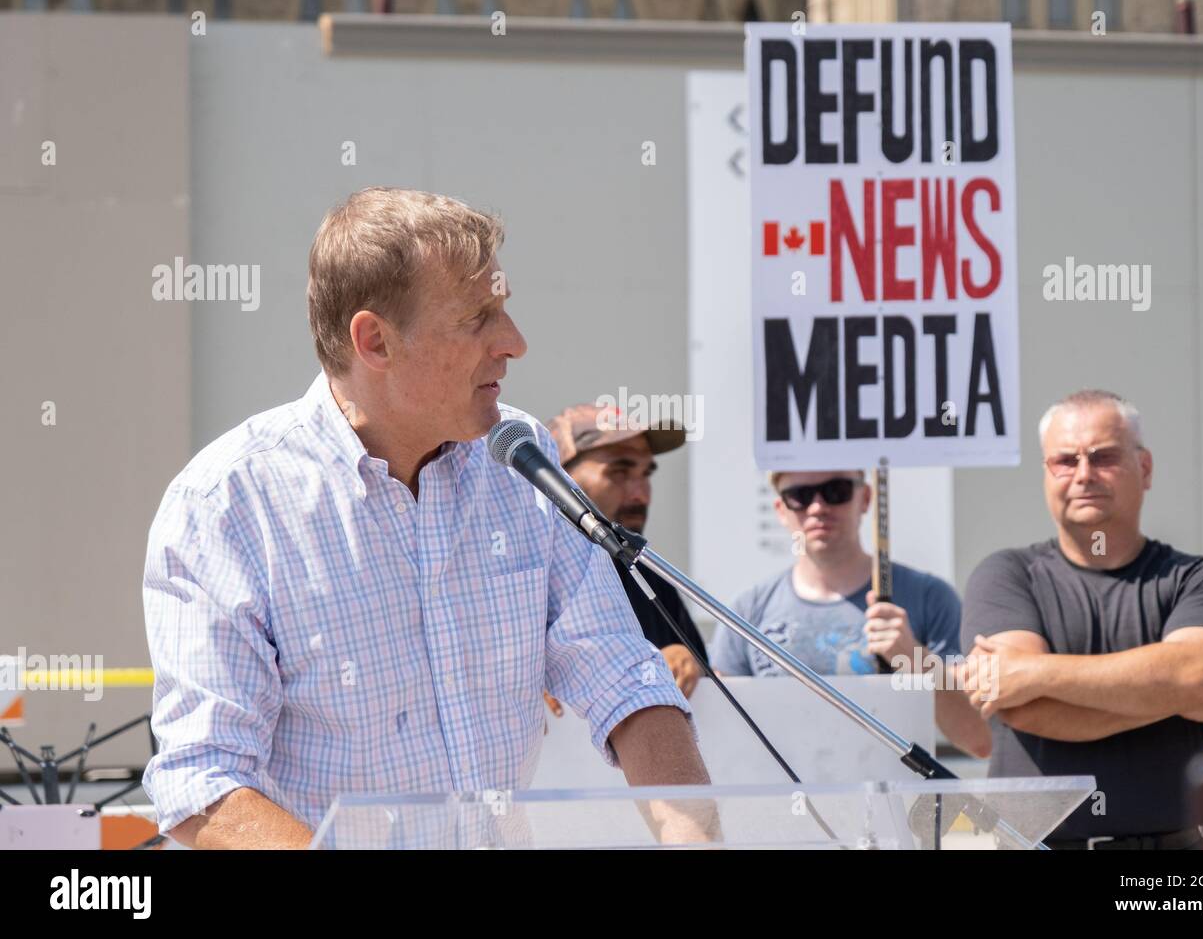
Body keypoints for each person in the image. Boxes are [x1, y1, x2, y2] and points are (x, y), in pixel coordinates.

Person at [141, 188, 710, 848]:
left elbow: (623, 677)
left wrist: (694, 838)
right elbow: (203, 785)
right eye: (478, 316)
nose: (515, 342)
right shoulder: (226, 504)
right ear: (374, 340)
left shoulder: (520, 460)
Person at [961, 389, 1203, 849]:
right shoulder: (1006, 575)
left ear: (1146, 468)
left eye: (1104, 456)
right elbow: (1023, 708)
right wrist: (1178, 699)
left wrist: (1035, 672)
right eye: (1065, 460)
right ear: (1046, 473)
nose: (1084, 474)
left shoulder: (1197, 579)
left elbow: (1201, 672)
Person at [711, 469, 992, 758]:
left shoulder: (929, 597)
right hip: (782, 801)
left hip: (900, 800)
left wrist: (914, 659)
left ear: (866, 498)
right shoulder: (746, 613)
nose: (818, 507)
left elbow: (978, 740)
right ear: (781, 510)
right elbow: (720, 742)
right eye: (800, 497)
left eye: (837, 491)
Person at [544, 403, 708, 708]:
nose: (640, 493)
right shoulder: (517, 572)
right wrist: (526, 681)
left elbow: (720, 695)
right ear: (558, 478)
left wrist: (688, 663)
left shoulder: (650, 577)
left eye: (645, 474)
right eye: (619, 472)